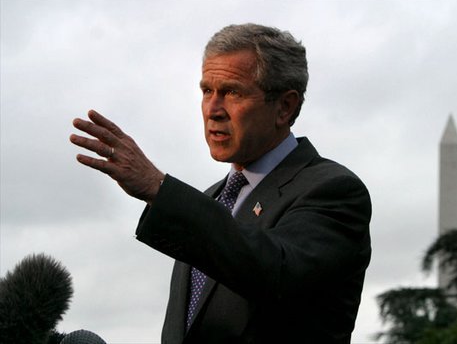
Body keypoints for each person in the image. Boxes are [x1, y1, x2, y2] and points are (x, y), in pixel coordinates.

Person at [70, 23, 371, 344]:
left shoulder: (333, 190)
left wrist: (160, 188)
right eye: (206, 91)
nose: (213, 110)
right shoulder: (210, 201)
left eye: (232, 92)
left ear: (284, 107)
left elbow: (277, 270)